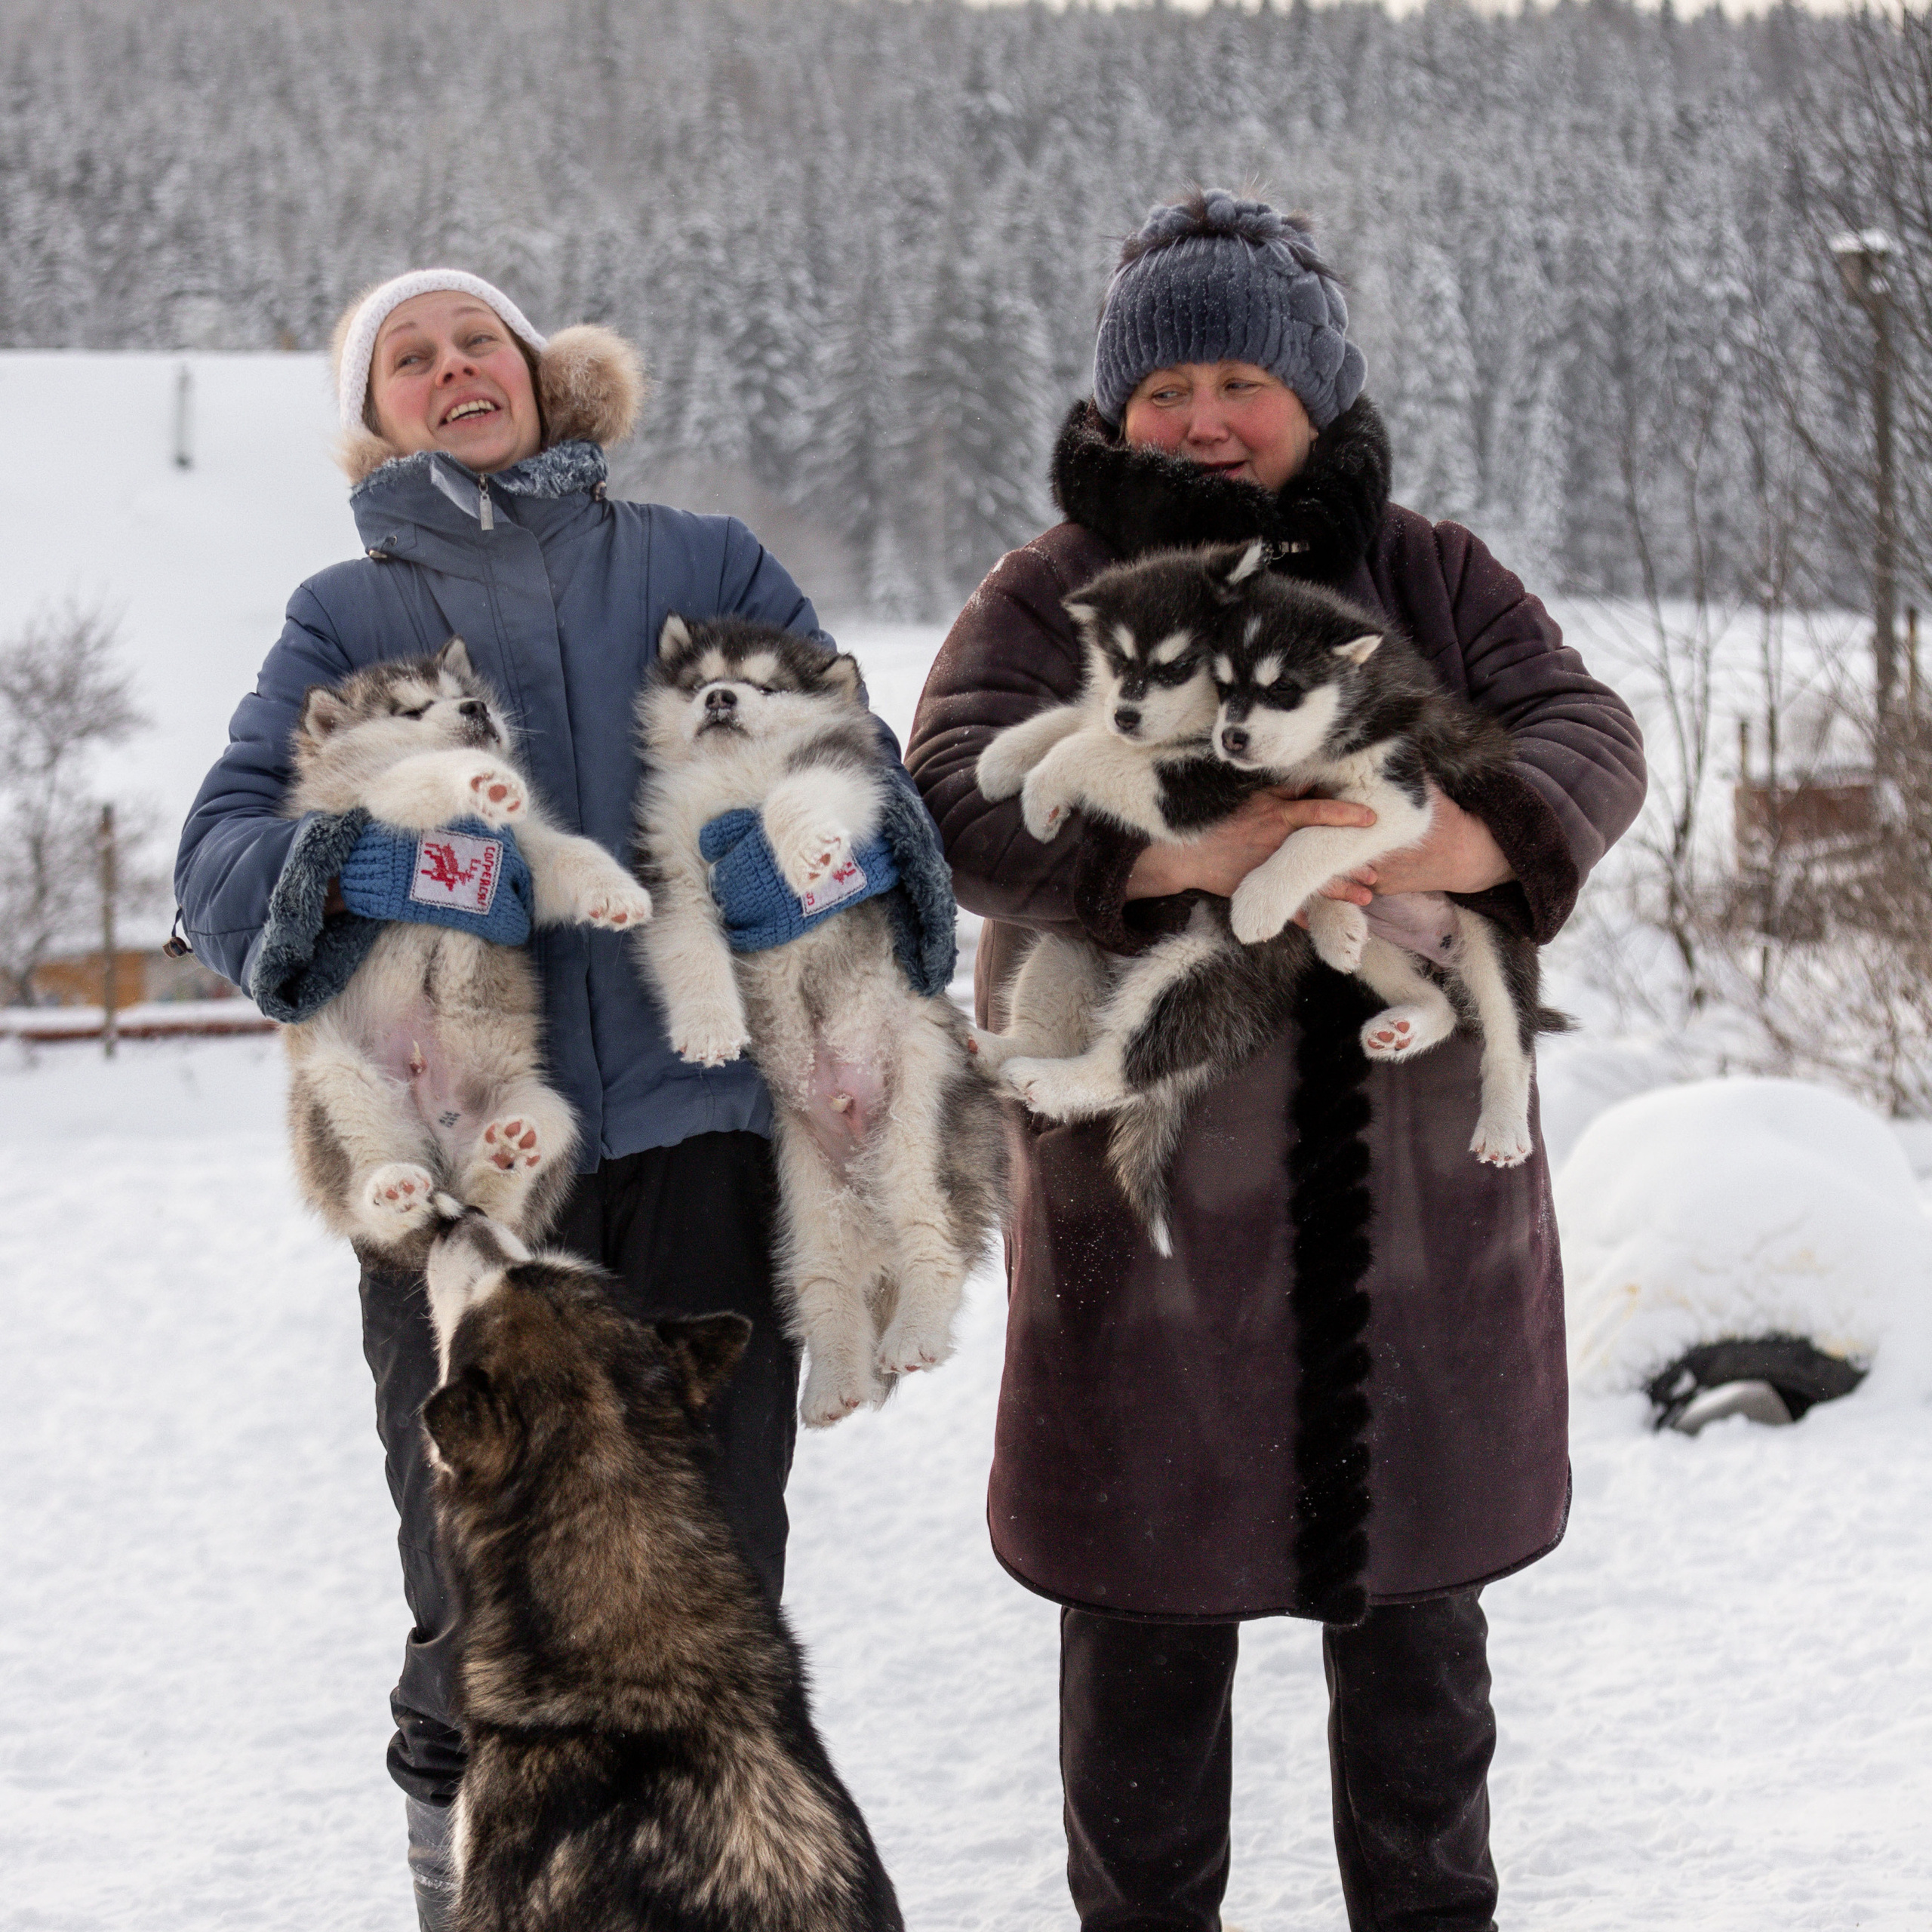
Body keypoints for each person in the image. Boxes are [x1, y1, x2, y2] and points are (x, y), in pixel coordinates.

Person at [173, 269, 952, 1929]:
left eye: (480, 342)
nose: (455, 368)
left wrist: (815, 860)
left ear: (543, 374)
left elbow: (865, 770)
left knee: (707, 1578)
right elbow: (216, 863)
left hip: (699, 1146)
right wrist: (365, 860)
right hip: (469, 1176)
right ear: (375, 413)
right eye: (411, 355)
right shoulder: (341, 611)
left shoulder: (700, 563)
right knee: (477, 1592)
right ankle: (471, 1899)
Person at [907, 192, 1647, 1930]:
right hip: (1150, 1233)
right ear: (1113, 411)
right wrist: (1183, 849)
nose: (1199, 419)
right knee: (1142, 1697)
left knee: (1419, 1698)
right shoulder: (1050, 588)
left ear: (1313, 392)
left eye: (1237, 375)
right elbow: (943, 792)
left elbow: (1584, 733)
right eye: (1161, 387)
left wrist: (1469, 840)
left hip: (1409, 1244)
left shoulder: (1433, 571)